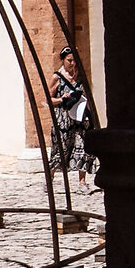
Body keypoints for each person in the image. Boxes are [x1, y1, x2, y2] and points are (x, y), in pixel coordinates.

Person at [47, 47, 97, 184]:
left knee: (82, 147)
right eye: (69, 60)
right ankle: (50, 177)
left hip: (80, 118)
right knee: (61, 149)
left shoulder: (81, 76)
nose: (72, 63)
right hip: (63, 118)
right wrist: (62, 99)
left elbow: (87, 96)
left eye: (75, 60)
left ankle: (82, 181)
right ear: (63, 60)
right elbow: (48, 98)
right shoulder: (57, 77)